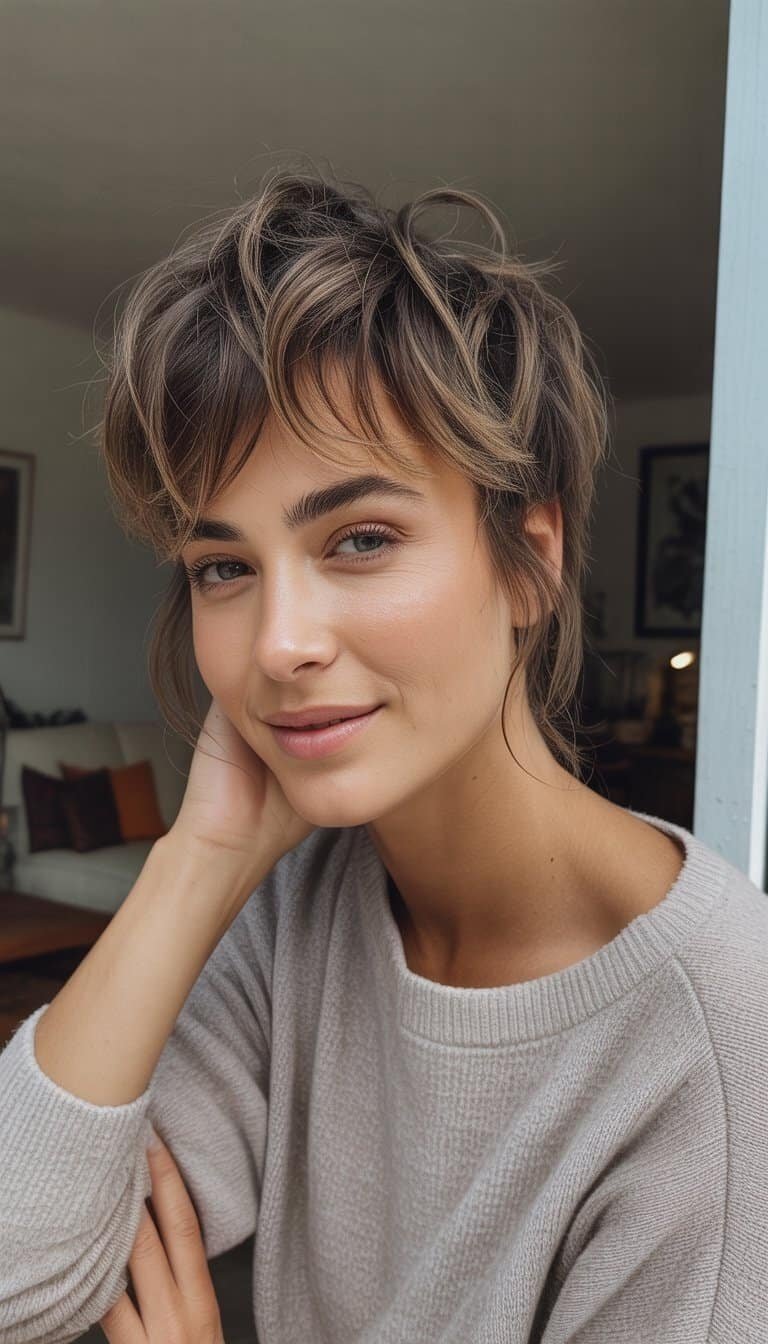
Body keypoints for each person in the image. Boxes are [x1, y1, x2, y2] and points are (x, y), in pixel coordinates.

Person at [1, 167, 766, 1344]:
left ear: (532, 558)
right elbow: (22, 1282)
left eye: (360, 538)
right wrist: (200, 857)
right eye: (224, 566)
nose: (280, 645)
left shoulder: (718, 1039)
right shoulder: (290, 907)